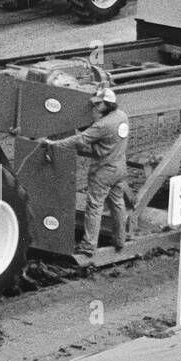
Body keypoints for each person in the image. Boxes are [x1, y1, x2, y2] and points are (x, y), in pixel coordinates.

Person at [43, 88, 129, 257]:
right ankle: (120, 239)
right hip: (119, 167)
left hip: (103, 171)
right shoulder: (122, 116)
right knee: (117, 203)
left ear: (108, 104)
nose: (96, 106)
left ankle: (88, 246)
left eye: (99, 104)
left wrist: (53, 144)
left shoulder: (103, 125)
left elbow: (80, 140)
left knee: (94, 207)